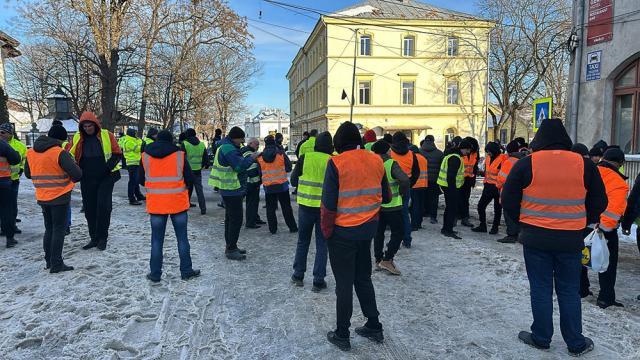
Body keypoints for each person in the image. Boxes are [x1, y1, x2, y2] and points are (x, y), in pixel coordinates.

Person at [501, 118, 606, 357]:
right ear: (565, 139)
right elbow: (600, 201)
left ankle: (541, 337)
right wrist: (580, 222)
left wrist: (521, 224)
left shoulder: (526, 163)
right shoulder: (584, 164)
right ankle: (575, 342)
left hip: (535, 238)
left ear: (539, 140)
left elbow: (507, 199)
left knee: (540, 288)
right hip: (570, 239)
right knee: (569, 290)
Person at [321, 122, 391, 351]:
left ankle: (342, 333)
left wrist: (327, 231)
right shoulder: (376, 160)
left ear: (338, 144)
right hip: (368, 229)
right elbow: (387, 196)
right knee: (363, 278)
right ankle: (374, 325)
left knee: (344, 284)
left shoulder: (336, 163)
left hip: (342, 232)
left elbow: (328, 205)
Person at [139, 130, 200, 282]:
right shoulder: (179, 155)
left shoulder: (145, 156)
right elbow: (189, 178)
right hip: (177, 203)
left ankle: (155, 274)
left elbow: (140, 179)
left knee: (156, 240)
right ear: (171, 140)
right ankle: (186, 270)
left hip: (156, 204)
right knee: (182, 239)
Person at [24, 125, 82, 272]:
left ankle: (49, 260)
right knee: (58, 229)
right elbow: (77, 174)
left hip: (42, 196)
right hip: (60, 196)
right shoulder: (59, 153)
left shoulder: (30, 152)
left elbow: (28, 174)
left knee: (49, 229)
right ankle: (56, 263)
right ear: (60, 139)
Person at [68, 111, 122, 251]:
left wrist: (107, 168)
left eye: (89, 126)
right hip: (87, 177)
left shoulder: (107, 135)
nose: (87, 129)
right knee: (89, 209)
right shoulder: (77, 138)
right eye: (84, 127)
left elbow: (117, 153)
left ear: (95, 125)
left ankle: (103, 237)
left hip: (106, 177)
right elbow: (69, 153)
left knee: (104, 207)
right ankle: (94, 237)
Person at [290, 131, 333, 291]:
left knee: (303, 241)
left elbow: (293, 181)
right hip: (324, 209)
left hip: (305, 206)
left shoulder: (305, 158)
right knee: (322, 244)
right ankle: (318, 280)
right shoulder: (332, 160)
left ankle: (298, 275)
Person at [208, 126, 258, 260]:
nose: (241, 143)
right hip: (232, 189)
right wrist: (251, 157)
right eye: (240, 140)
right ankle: (231, 249)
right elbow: (239, 166)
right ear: (235, 138)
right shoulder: (228, 148)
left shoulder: (225, 146)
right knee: (236, 220)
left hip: (229, 188)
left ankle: (231, 246)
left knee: (230, 219)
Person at [588, 148, 627, 309]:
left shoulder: (590, 172)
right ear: (620, 163)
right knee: (607, 262)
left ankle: (581, 289)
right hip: (603, 229)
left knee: (580, 257)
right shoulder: (618, 182)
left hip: (582, 223)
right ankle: (605, 297)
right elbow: (613, 210)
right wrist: (603, 229)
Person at [372, 140, 410, 275]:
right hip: (392, 205)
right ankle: (387, 259)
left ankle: (378, 259)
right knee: (398, 232)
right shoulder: (390, 164)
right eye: (389, 149)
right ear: (386, 151)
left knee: (378, 233)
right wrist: (401, 191)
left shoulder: (371, 163)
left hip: (376, 205)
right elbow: (405, 180)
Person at [257, 135, 298, 234]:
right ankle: (292, 227)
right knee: (286, 207)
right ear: (274, 142)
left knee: (270, 209)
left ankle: (272, 229)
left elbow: (259, 172)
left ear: (265, 144)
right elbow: (288, 168)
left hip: (268, 186)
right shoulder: (280, 154)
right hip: (282, 185)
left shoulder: (260, 157)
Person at [390, 132, 419, 248]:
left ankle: (394, 240)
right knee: (405, 215)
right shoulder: (412, 154)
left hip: (391, 189)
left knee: (392, 216)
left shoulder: (390, 153)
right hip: (406, 188)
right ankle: (407, 240)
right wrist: (410, 185)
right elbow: (416, 173)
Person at [438, 139, 471, 239]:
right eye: (468, 150)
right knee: (452, 209)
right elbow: (451, 176)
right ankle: (448, 229)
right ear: (463, 149)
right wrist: (453, 190)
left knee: (449, 208)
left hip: (447, 185)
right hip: (450, 187)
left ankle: (446, 228)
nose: (468, 152)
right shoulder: (455, 158)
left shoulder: (451, 155)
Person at [495, 140, 526, 243]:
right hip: (521, 193)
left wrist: (498, 186)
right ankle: (520, 233)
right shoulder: (524, 159)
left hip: (509, 192)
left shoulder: (510, 161)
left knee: (508, 213)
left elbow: (502, 178)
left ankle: (512, 235)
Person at [472, 142, 505, 235]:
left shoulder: (503, 159)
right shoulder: (488, 158)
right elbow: (489, 172)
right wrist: (482, 173)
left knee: (497, 209)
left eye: (489, 151)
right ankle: (483, 225)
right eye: (487, 152)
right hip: (488, 186)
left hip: (498, 187)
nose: (488, 153)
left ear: (494, 150)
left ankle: (495, 227)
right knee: (481, 206)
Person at [0, 123, 26, 236]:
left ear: (10, 133)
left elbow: (24, 161)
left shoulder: (20, 146)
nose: (1, 134)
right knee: (4, 206)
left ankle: (12, 226)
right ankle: (5, 228)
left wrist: (21, 169)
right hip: (3, 179)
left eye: (3, 132)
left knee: (12, 206)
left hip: (13, 179)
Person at [181, 128, 209, 215]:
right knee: (199, 191)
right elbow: (205, 158)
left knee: (187, 189)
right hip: (198, 171)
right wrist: (202, 166)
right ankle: (203, 209)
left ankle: (185, 206)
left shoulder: (185, 144)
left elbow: (181, 158)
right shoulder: (201, 144)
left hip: (187, 171)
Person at [0, 133, 20, 248]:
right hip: (3, 181)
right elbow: (15, 159)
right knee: (6, 209)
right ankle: (9, 238)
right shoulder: (3, 145)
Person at [241, 138, 265, 229]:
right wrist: (257, 183)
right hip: (251, 182)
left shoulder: (246, 151)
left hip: (247, 182)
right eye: (256, 144)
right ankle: (251, 222)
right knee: (252, 202)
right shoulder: (249, 153)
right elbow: (252, 169)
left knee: (253, 201)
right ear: (250, 143)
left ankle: (255, 218)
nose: (258, 146)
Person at [420, 135, 443, 224]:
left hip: (422, 180)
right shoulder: (439, 153)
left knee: (422, 198)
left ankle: (423, 213)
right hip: (434, 180)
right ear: (433, 141)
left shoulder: (419, 152)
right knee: (434, 198)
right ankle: (433, 217)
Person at [459, 136, 479, 227]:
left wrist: (473, 179)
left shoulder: (475, 154)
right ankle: (457, 216)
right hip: (459, 179)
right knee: (458, 199)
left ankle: (465, 217)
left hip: (468, 180)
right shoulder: (460, 152)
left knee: (465, 199)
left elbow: (474, 167)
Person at [121, 128, 145, 205]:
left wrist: (140, 142)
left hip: (136, 163)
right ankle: (132, 199)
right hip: (132, 164)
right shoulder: (129, 141)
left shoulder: (133, 140)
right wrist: (141, 144)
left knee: (136, 181)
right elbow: (138, 149)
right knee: (133, 181)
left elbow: (140, 144)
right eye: (135, 133)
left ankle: (138, 195)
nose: (136, 134)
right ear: (131, 133)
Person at [409, 144, 428, 231]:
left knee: (414, 206)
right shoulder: (423, 158)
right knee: (420, 205)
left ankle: (414, 225)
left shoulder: (412, 158)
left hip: (415, 185)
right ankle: (419, 223)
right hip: (424, 185)